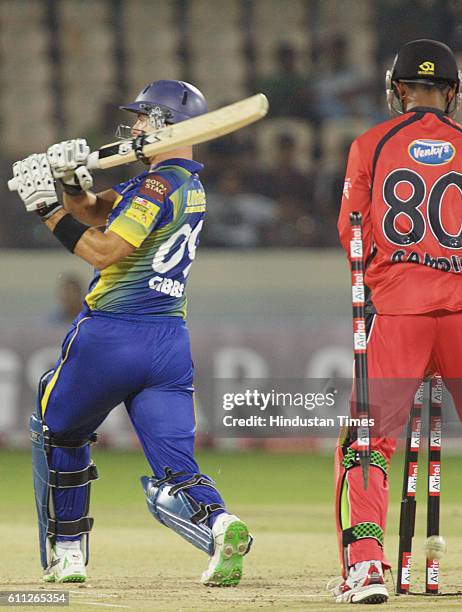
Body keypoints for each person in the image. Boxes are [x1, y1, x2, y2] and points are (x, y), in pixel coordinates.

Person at [10, 80, 252, 586]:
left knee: (58, 430)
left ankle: (69, 552)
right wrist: (73, 184)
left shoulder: (155, 185)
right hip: (168, 344)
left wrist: (45, 208)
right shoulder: (185, 183)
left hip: (112, 338)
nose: (136, 127)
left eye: (144, 118)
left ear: (166, 125)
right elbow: (98, 211)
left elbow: (101, 251)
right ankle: (220, 524)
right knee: (176, 466)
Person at [330, 39, 462, 604]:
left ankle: (365, 568)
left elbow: (351, 231)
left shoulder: (369, 145)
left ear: (398, 89)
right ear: (451, 93)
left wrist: (391, 279)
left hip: (400, 314)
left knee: (365, 443)